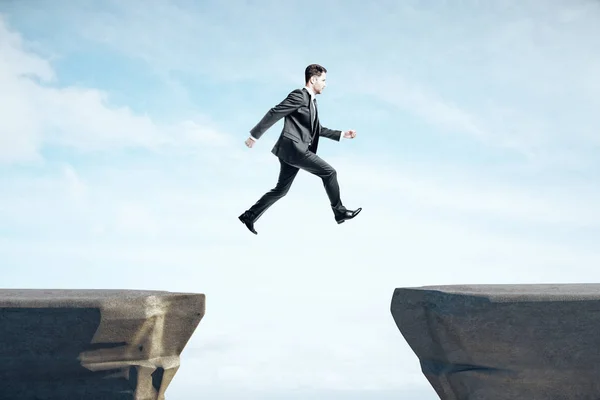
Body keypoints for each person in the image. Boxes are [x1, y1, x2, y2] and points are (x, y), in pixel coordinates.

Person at [238, 64, 362, 235]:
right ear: (313, 79)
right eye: (324, 80)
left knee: (281, 190)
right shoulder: (299, 96)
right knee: (329, 173)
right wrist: (254, 136)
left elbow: (317, 129)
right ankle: (339, 211)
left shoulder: (312, 102)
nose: (325, 84)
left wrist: (342, 134)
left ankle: (249, 216)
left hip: (291, 152)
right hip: (295, 148)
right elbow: (275, 112)